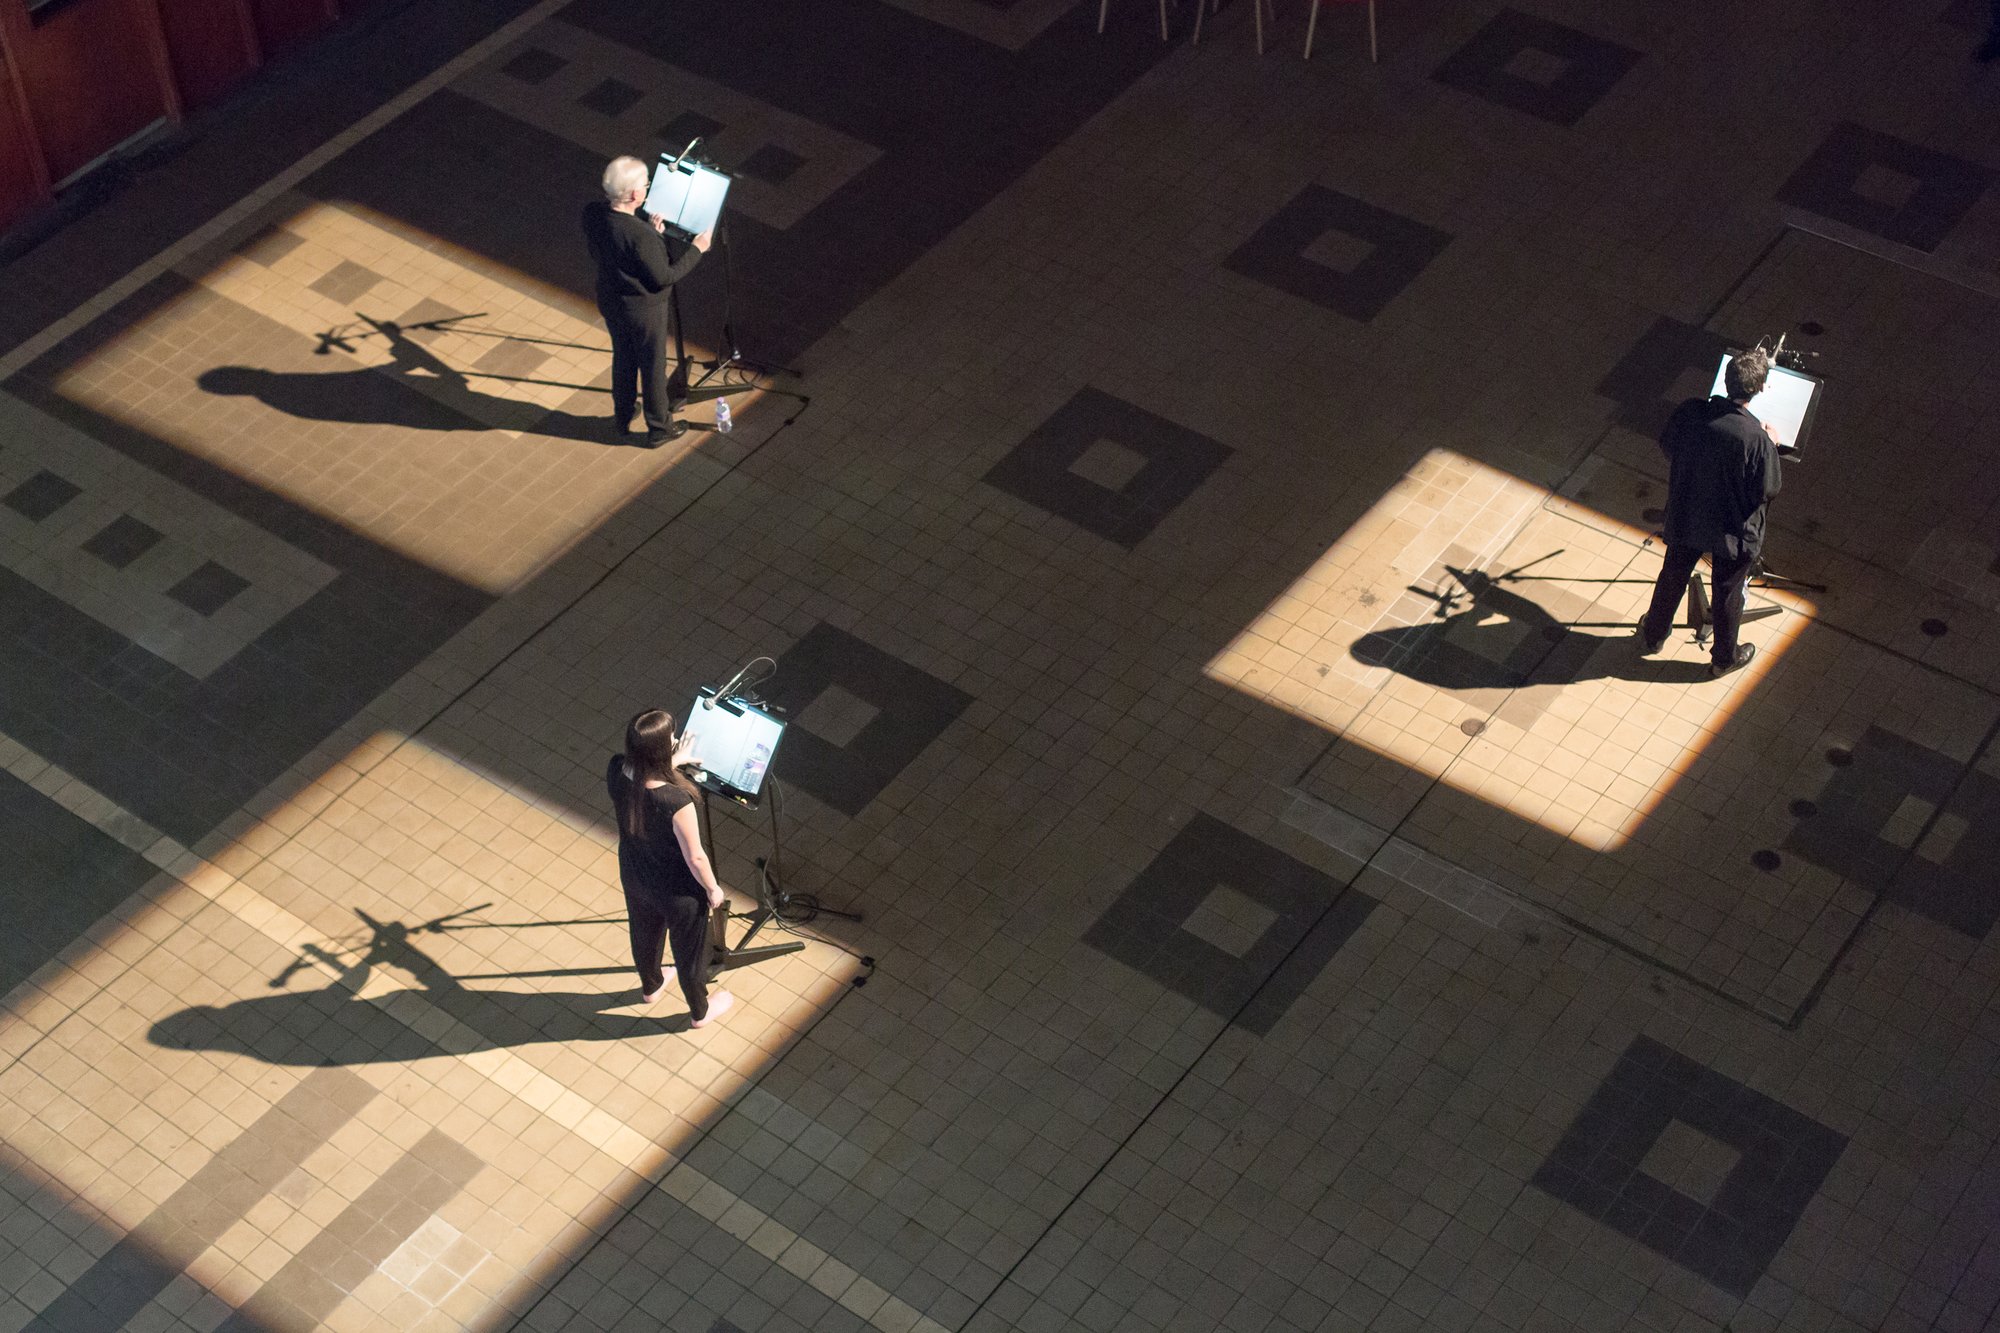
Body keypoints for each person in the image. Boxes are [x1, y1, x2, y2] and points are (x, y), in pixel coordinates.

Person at [1637, 348, 1784, 678]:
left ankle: (1653, 635)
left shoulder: (1690, 412)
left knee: (1673, 573)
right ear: (1758, 389)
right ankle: (1723, 659)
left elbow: (1668, 446)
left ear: (1726, 380)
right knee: (1728, 591)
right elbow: (1768, 489)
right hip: (1731, 529)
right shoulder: (1756, 440)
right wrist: (1770, 444)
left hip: (1687, 510)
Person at [607, 709, 734, 1026]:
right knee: (689, 954)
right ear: (661, 750)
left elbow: (642, 779)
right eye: (672, 739)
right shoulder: (676, 800)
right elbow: (696, 857)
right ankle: (700, 1012)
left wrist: (672, 762)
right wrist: (713, 889)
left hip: (635, 874)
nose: (676, 741)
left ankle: (651, 985)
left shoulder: (615, 771)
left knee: (643, 933)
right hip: (678, 892)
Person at [582, 156, 712, 446]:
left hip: (611, 300)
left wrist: (653, 236)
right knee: (652, 366)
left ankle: (623, 416)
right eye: (646, 184)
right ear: (635, 195)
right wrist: (697, 249)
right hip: (643, 310)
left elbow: (621, 249)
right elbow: (664, 276)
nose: (648, 188)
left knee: (624, 358)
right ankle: (659, 428)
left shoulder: (593, 214)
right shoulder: (640, 235)